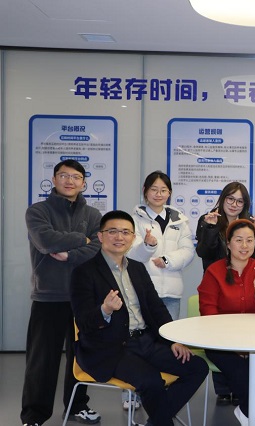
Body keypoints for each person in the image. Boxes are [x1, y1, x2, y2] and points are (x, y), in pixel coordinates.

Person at [70, 210, 208, 426]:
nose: (119, 237)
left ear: (133, 238)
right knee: (151, 381)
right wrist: (105, 310)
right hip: (109, 348)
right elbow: (84, 322)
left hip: (146, 341)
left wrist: (173, 341)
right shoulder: (84, 272)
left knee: (197, 367)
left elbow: (156, 308)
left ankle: (156, 422)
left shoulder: (137, 268)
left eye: (126, 232)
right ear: (100, 236)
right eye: (112, 231)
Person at [21, 159, 103, 426]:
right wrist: (82, 239)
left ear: (83, 183)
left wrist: (69, 253)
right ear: (54, 180)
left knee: (81, 357)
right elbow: (45, 240)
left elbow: (97, 249)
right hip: (49, 296)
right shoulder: (38, 211)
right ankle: (34, 415)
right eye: (64, 176)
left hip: (84, 297)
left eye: (76, 177)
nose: (70, 181)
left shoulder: (93, 215)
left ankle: (77, 405)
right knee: (42, 360)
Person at [124, 171, 195, 410]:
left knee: (166, 344)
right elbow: (130, 252)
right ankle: (131, 393)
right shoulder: (134, 219)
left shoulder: (179, 220)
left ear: (169, 193)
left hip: (171, 290)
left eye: (163, 190)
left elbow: (188, 250)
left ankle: (162, 390)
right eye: (154, 189)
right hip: (141, 290)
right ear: (145, 191)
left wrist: (167, 260)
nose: (158, 194)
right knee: (137, 343)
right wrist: (147, 246)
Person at [198, 218, 255, 426]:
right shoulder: (214, 270)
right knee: (243, 372)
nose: (244, 246)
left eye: (250, 240)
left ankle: (246, 413)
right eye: (239, 240)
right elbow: (208, 312)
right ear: (228, 243)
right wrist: (234, 345)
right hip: (219, 340)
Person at [195, 181, 255, 405]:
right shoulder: (209, 219)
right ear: (223, 198)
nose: (234, 204)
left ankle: (241, 386)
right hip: (216, 280)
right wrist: (209, 228)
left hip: (242, 282)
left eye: (240, 201)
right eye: (230, 199)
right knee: (219, 332)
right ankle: (224, 389)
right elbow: (203, 252)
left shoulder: (249, 224)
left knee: (244, 333)